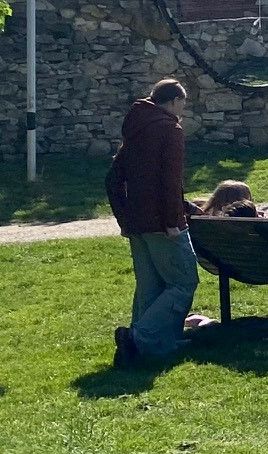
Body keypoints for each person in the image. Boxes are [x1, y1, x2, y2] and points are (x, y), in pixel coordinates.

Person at [107, 78, 198, 366]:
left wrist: (125, 218)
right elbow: (170, 181)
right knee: (183, 282)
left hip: (137, 223)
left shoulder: (135, 128)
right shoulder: (170, 129)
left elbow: (113, 179)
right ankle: (139, 337)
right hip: (163, 223)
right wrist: (173, 221)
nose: (183, 109)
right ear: (173, 101)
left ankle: (154, 346)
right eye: (182, 103)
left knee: (150, 286)